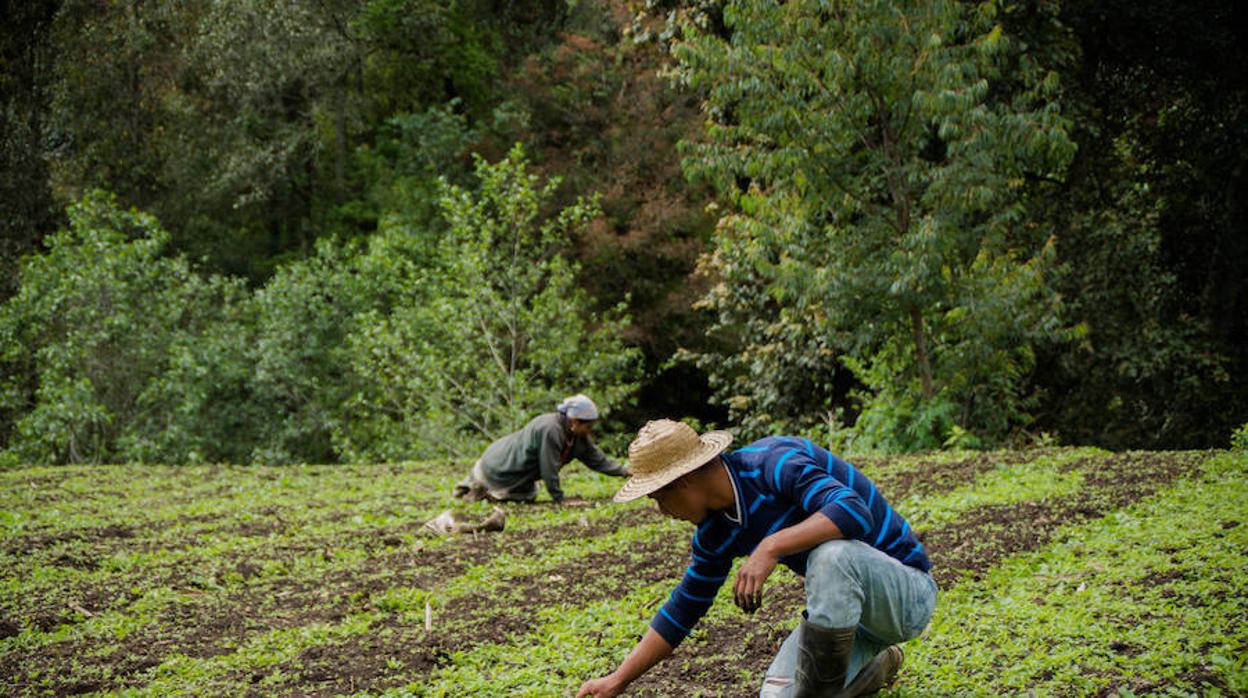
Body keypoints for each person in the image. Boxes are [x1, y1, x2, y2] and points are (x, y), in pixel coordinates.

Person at [577, 419, 937, 698]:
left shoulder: (774, 463)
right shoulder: (715, 532)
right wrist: (617, 680)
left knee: (832, 555)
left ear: (682, 481)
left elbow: (854, 512)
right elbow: (683, 609)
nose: (662, 511)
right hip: (851, 624)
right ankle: (875, 666)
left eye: (659, 498)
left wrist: (770, 546)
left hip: (905, 596)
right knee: (776, 694)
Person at [452, 394, 628, 505]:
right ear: (575, 421)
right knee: (523, 496)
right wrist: (560, 499)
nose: (590, 431)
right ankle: (478, 488)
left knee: (528, 495)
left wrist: (625, 471)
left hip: (516, 469)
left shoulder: (577, 437)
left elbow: (597, 459)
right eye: (588, 426)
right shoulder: (551, 429)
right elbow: (548, 468)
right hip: (500, 465)